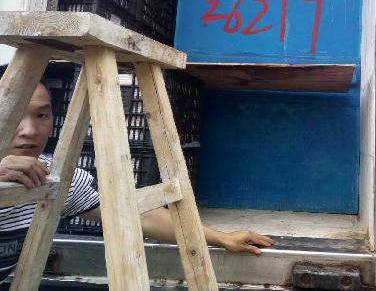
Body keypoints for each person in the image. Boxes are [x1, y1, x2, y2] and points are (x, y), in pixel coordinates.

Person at [0, 65, 272, 284]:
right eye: (14, 114)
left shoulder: (54, 177)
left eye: (41, 115)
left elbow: (134, 212)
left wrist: (220, 237)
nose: (30, 131)